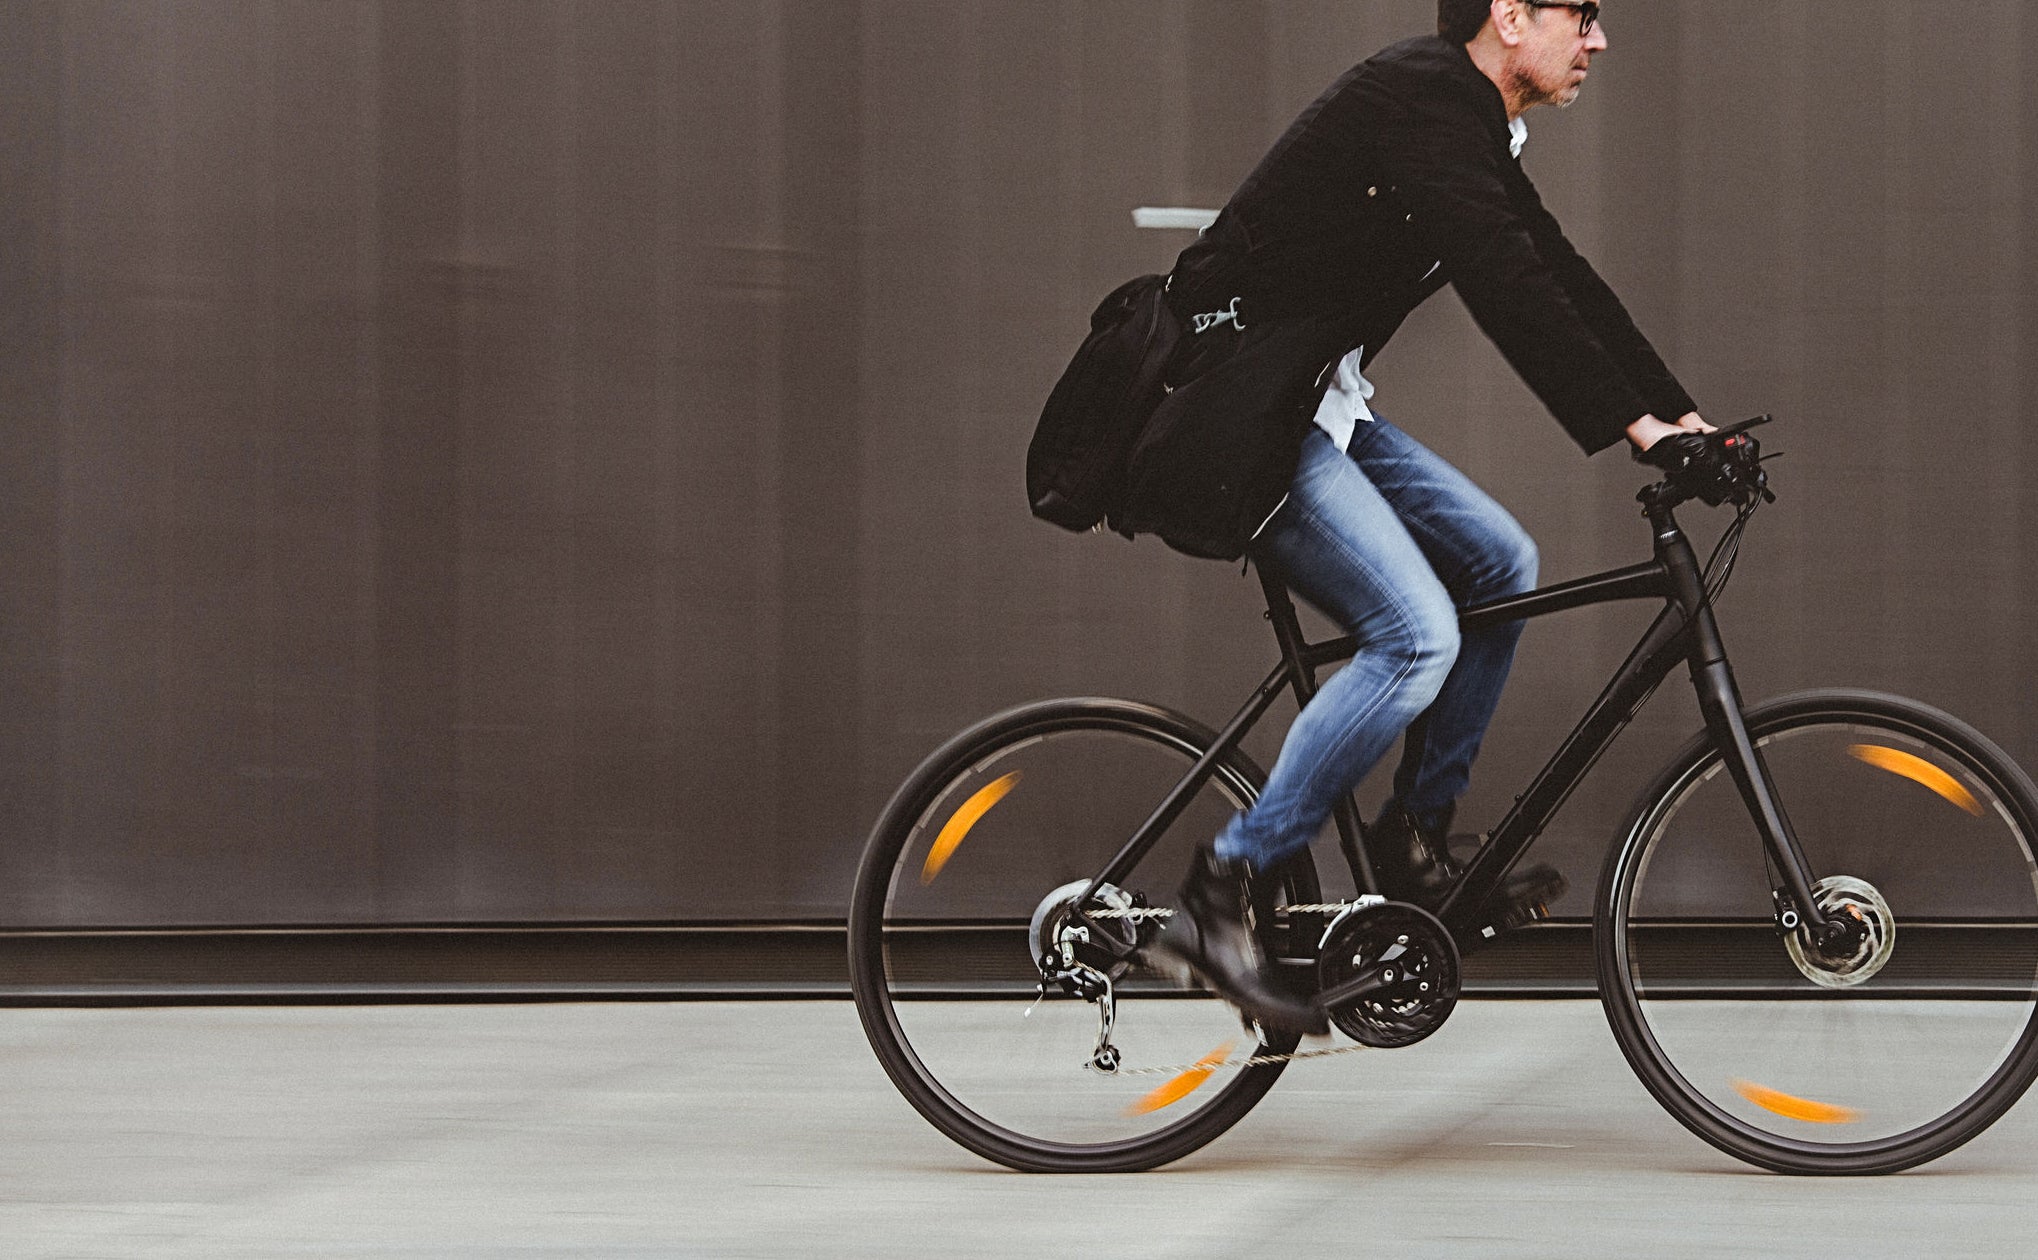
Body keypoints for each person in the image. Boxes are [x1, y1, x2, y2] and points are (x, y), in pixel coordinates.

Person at [1140, 0, 1713, 1034]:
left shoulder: (1464, 121)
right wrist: (1635, 426)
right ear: (1507, 14)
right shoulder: (1420, 96)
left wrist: (1682, 418)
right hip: (1244, 416)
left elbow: (1557, 274)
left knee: (1500, 560)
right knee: (1414, 640)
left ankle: (1413, 839)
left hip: (1319, 405)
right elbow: (1503, 282)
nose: (1598, 38)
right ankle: (1218, 894)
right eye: (1580, 13)